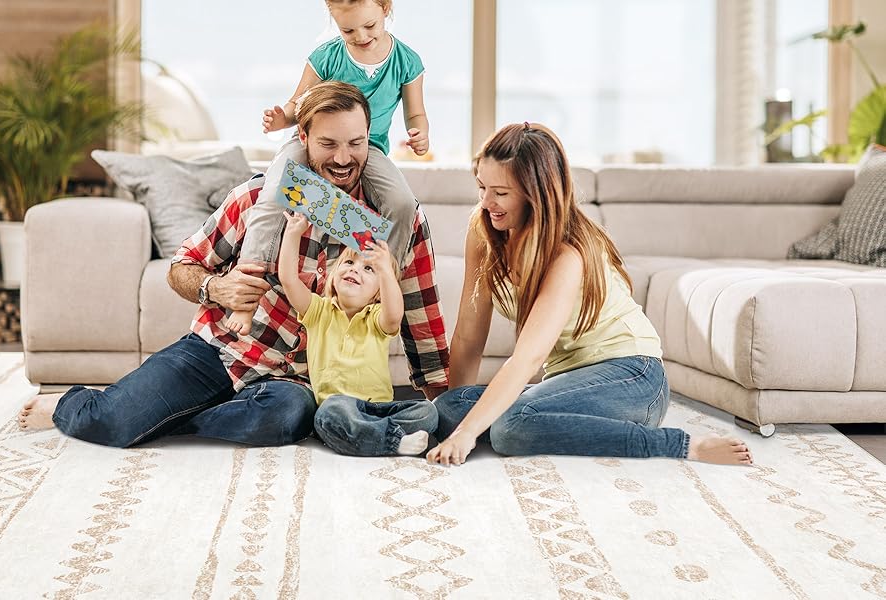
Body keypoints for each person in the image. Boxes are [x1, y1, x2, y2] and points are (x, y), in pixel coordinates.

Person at [18, 81, 449, 447]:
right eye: (328, 144)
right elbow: (181, 266)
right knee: (111, 423)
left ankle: (174, 419)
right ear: (302, 138)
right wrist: (216, 289)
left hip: (293, 383)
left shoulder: (393, 221)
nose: (342, 158)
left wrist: (438, 394)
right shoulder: (256, 199)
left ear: (370, 140)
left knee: (282, 420)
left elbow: (419, 308)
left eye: (355, 144)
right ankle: (77, 403)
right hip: (220, 351)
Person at [426, 122, 753, 467]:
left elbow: (528, 358)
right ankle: (546, 424)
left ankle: (682, 445)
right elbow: (467, 336)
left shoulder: (568, 253)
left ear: (535, 193)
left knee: (510, 427)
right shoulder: (485, 232)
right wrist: (457, 422)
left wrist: (467, 435)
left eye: (501, 193)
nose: (487, 202)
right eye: (481, 187)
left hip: (632, 377)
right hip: (566, 385)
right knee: (448, 408)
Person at [228, 0, 428, 336]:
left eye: (369, 26)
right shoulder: (326, 56)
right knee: (274, 191)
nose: (360, 36)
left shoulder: (406, 61)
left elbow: (416, 113)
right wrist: (282, 119)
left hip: (367, 147)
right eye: (348, 30)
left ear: (385, 9)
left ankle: (373, 294)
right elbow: (297, 104)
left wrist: (420, 132)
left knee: (403, 203)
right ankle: (245, 301)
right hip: (312, 142)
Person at [278, 211, 437, 456]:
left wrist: (385, 269)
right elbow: (288, 280)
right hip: (338, 407)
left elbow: (395, 315)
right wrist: (293, 234)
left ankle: (370, 434)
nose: (355, 270)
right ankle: (393, 441)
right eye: (349, 263)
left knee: (427, 413)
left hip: (379, 407)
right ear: (333, 277)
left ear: (377, 293)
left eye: (369, 269)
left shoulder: (376, 318)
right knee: (329, 416)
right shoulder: (318, 311)